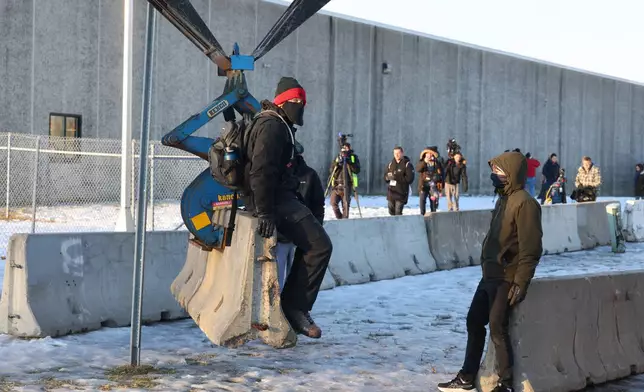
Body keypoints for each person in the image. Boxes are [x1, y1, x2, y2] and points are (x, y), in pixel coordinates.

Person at [437, 151, 543, 392]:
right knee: (474, 321)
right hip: (490, 275)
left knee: (497, 328)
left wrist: (521, 283)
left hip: (507, 278)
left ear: (511, 174)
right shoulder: (503, 199)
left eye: (498, 171)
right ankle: (466, 376)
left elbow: (531, 249)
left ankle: (504, 384)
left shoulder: (525, 203)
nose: (493, 175)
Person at [242, 76, 333, 339]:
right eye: (296, 101)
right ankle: (295, 308)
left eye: (303, 102)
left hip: (279, 198)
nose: (300, 106)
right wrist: (265, 211)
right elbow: (261, 172)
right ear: (283, 101)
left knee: (315, 245)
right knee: (319, 246)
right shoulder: (273, 126)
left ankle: (291, 307)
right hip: (276, 201)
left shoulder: (275, 123)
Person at [328, 142, 361, 219]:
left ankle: (345, 220)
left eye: (347, 148)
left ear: (349, 148)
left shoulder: (353, 157)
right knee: (333, 202)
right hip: (337, 185)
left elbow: (357, 170)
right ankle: (340, 218)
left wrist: (349, 163)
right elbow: (331, 170)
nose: (345, 150)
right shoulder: (338, 157)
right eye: (343, 148)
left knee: (345, 204)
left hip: (347, 185)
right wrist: (337, 164)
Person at [384, 146, 414, 215]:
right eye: (395, 153)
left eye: (398, 153)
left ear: (402, 153)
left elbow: (410, 179)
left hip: (401, 192)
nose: (396, 155)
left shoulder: (407, 164)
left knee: (398, 212)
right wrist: (387, 177)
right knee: (391, 210)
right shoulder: (391, 164)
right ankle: (393, 225)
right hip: (391, 192)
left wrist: (396, 177)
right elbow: (385, 177)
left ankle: (398, 224)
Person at [417, 147, 444, 215]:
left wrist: (441, 186)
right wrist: (425, 162)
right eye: (427, 154)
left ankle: (433, 216)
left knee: (433, 203)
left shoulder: (437, 163)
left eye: (430, 154)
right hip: (423, 185)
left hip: (433, 186)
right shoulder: (422, 162)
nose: (429, 155)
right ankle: (422, 215)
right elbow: (418, 169)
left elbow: (442, 173)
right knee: (422, 201)